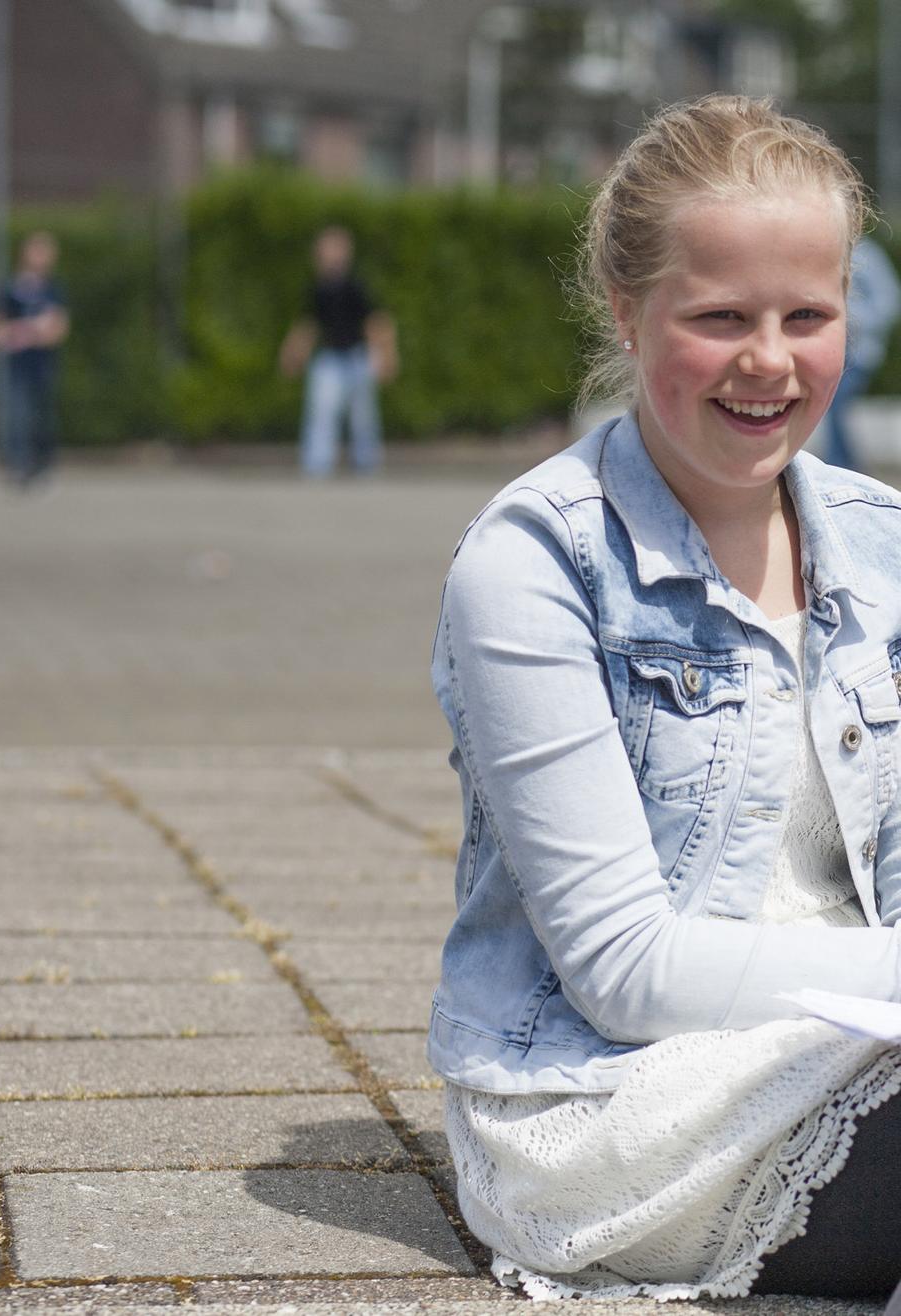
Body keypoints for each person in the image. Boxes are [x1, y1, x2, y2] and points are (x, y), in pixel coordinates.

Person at [430, 94, 901, 1304]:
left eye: (807, 314)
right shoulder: (535, 564)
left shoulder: (881, 539)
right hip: (617, 1097)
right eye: (718, 317)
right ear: (624, 310)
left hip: (864, 1033)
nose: (768, 359)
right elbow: (621, 970)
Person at [279, 225, 396, 477]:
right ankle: (317, 464)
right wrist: (293, 353)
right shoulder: (317, 288)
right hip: (329, 358)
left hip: (356, 356)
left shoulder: (356, 286)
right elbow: (308, 324)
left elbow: (376, 321)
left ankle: (366, 463)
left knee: (363, 416)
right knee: (320, 411)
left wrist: (385, 355)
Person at [0, 232, 69, 487]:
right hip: (15, 364)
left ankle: (42, 465)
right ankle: (17, 465)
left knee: (42, 416)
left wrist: (27, 331)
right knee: (16, 414)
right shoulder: (9, 288)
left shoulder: (53, 289)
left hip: (42, 364)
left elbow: (57, 330)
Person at [823, 233, 901, 471]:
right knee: (834, 408)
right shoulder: (825, 247)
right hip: (831, 349)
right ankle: (842, 464)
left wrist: (852, 321)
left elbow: (888, 300)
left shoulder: (867, 253)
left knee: (835, 406)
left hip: (858, 353)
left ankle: (842, 465)